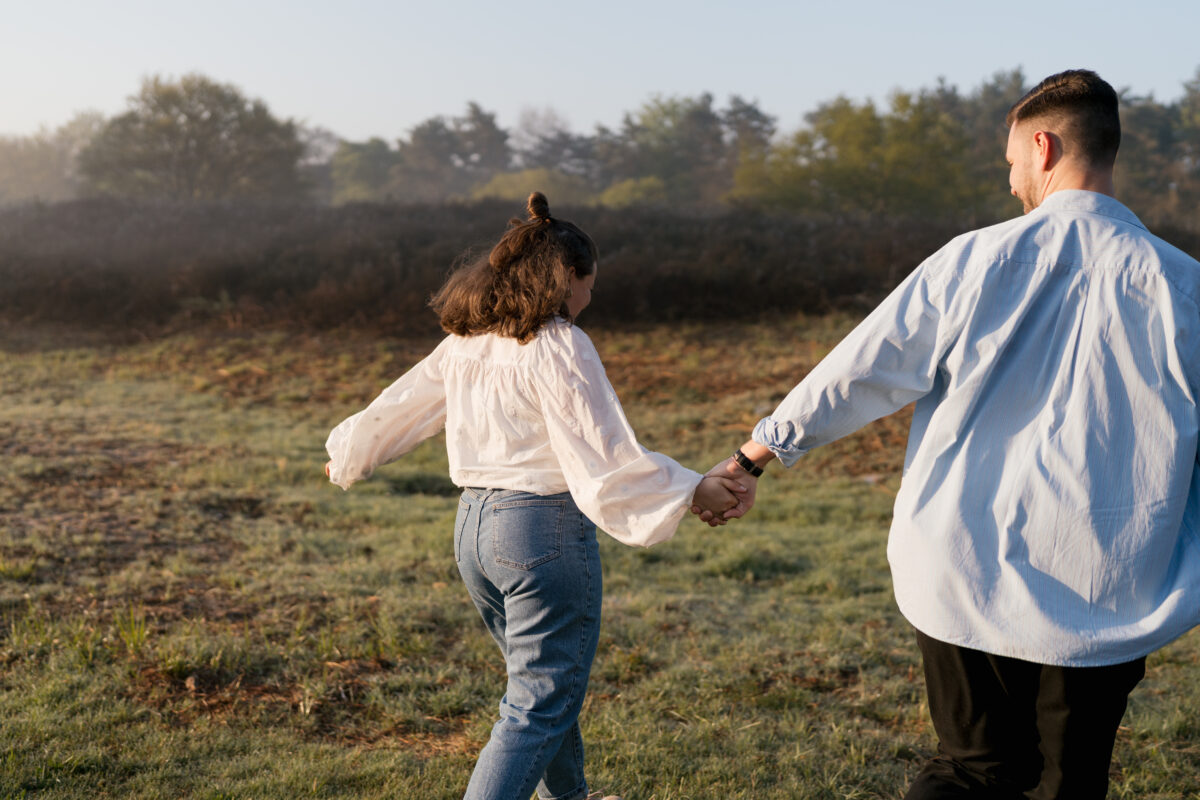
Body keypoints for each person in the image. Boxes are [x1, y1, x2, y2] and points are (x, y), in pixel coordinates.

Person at [697, 69, 1200, 798]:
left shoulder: (972, 262)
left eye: (1011, 166)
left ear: (1044, 145)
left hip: (966, 568)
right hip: (1108, 586)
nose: (1011, 184)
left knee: (972, 769)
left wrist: (754, 456)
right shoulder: (1184, 289)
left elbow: (859, 373)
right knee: (1070, 780)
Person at [325, 192, 744, 800]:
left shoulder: (466, 342)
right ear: (566, 277)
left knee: (543, 688)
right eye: (589, 285)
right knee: (539, 702)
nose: (590, 300)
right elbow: (605, 455)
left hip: (474, 532)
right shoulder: (559, 343)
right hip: (539, 532)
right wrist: (694, 488)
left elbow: (401, 405)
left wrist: (348, 453)